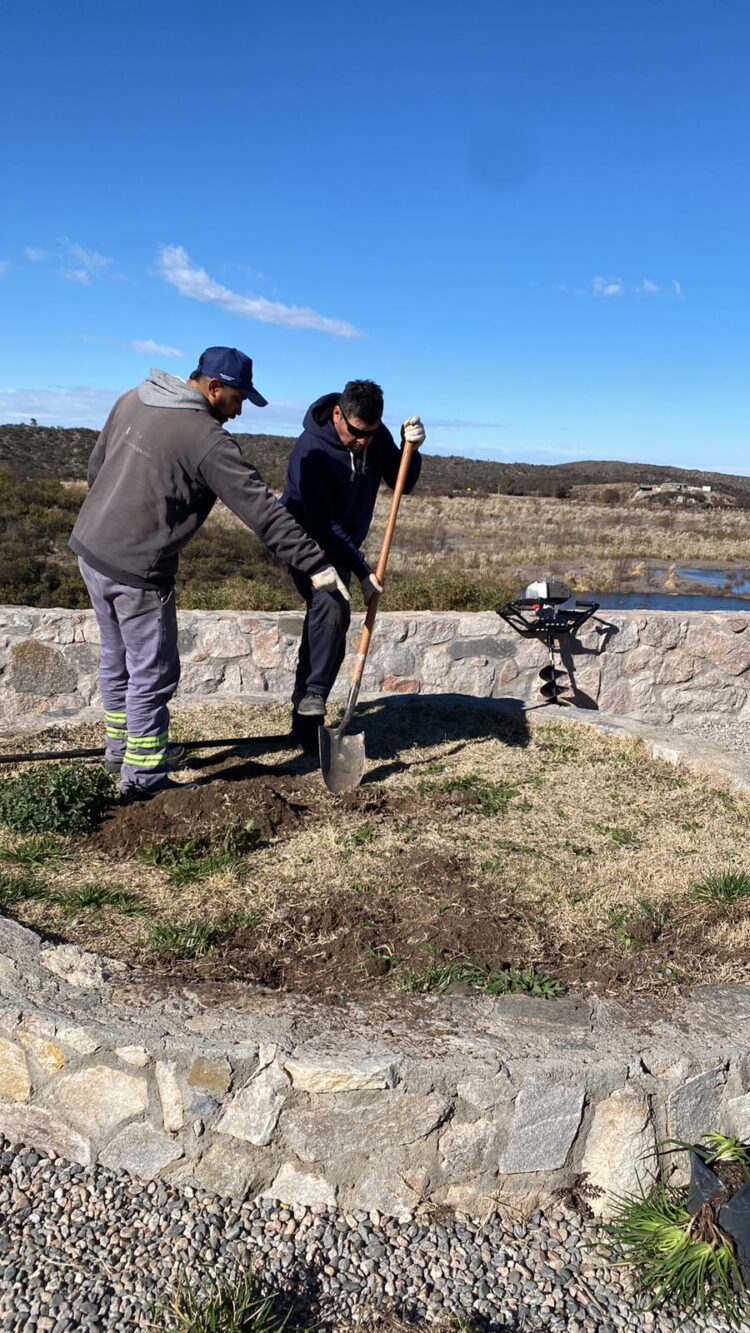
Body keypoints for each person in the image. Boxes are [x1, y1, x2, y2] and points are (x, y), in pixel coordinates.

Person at [69, 346, 348, 798]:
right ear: (213, 387)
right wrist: (315, 564)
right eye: (238, 399)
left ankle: (120, 750)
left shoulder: (135, 397)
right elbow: (261, 510)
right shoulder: (206, 439)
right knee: (151, 673)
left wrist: (109, 520)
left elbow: (96, 467)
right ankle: (143, 781)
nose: (239, 412)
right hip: (137, 570)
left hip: (91, 549)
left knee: (116, 658)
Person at [280, 379, 425, 750]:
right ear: (338, 414)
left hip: (342, 545)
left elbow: (401, 482)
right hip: (304, 540)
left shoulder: (374, 438)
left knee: (326, 620)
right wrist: (362, 570)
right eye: (356, 433)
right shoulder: (310, 450)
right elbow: (321, 522)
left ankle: (306, 719)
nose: (362, 442)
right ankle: (313, 696)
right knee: (331, 605)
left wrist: (414, 449)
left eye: (370, 434)